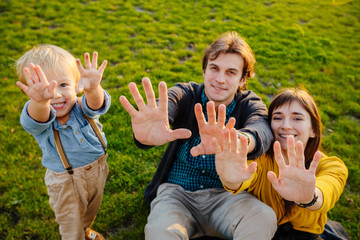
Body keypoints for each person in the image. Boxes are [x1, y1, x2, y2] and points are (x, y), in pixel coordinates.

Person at [120, 32, 277, 239]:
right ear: (204, 70)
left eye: (231, 72)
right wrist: (159, 119)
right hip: (177, 195)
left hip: (226, 197)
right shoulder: (187, 93)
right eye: (214, 68)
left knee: (263, 217)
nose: (220, 79)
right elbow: (170, 100)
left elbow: (262, 127)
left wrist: (243, 141)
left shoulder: (249, 104)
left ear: (243, 78)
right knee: (160, 233)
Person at [212, 87, 349, 240]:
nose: (286, 125)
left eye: (297, 118)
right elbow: (243, 177)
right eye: (277, 118)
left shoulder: (332, 166)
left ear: (313, 130)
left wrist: (309, 197)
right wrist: (231, 179)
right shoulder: (260, 159)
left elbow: (328, 190)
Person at [16, 44, 111, 240]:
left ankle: (85, 230)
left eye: (63, 85)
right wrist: (41, 102)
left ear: (76, 84)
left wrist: (94, 88)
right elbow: (36, 119)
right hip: (66, 182)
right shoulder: (41, 116)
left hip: (98, 169)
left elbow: (96, 103)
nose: (56, 94)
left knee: (91, 208)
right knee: (71, 224)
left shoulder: (80, 106)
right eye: (46, 88)